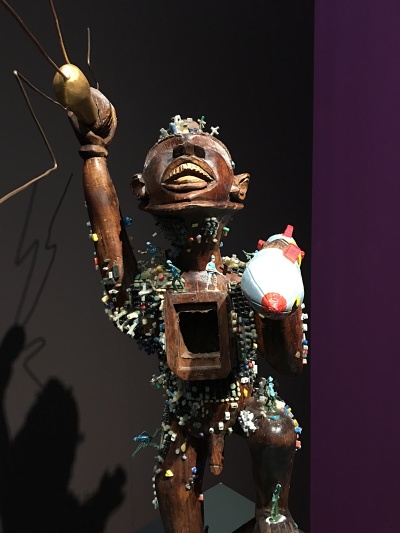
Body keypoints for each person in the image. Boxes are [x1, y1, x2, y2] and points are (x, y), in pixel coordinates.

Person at [61, 83, 308, 533]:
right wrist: (94, 153)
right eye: (171, 151)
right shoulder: (154, 291)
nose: (187, 150)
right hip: (185, 411)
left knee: (276, 432)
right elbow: (113, 260)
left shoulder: (247, 282)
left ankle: (273, 513)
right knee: (174, 485)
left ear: (238, 189)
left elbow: (287, 363)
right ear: (141, 191)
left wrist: (284, 305)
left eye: (202, 149)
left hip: (244, 396)